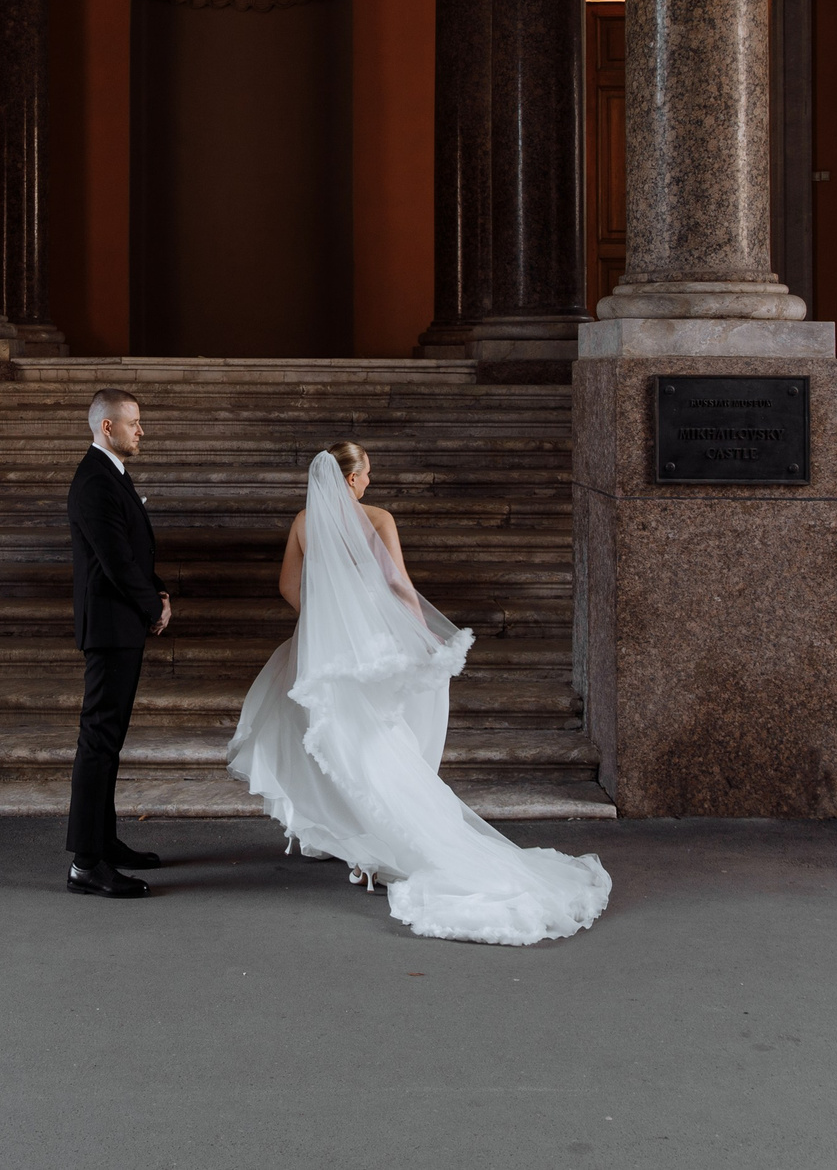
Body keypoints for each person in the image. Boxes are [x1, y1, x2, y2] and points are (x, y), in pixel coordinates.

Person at [225, 442, 610, 944]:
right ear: (351, 479)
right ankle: (386, 847)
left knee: (338, 745)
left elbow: (287, 587)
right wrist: (418, 634)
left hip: (321, 649)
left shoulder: (304, 521)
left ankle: (363, 845)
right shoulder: (378, 517)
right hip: (371, 647)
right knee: (379, 740)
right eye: (365, 474)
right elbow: (399, 584)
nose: (369, 481)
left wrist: (324, 621)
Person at [64, 387, 169, 898]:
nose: (140, 430)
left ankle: (103, 842)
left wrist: (158, 591)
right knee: (99, 743)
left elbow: (133, 549)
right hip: (110, 628)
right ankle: (86, 863)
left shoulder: (110, 476)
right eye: (133, 423)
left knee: (108, 742)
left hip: (119, 623)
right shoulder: (94, 481)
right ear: (107, 427)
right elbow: (115, 560)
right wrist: (154, 607)